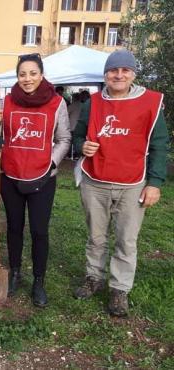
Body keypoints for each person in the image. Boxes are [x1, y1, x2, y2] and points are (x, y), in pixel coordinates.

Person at [72, 49, 169, 317]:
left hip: (132, 183)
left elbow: (160, 145)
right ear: (106, 74)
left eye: (125, 70)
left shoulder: (150, 103)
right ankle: (94, 276)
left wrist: (155, 182)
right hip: (96, 180)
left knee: (126, 239)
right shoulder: (92, 103)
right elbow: (77, 136)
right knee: (96, 236)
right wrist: (84, 146)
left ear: (133, 74)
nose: (119, 75)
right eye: (113, 70)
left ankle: (119, 288)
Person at [0, 53, 71, 307]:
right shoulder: (7, 102)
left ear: (41, 74)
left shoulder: (57, 103)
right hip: (11, 175)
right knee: (14, 227)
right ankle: (14, 272)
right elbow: (0, 137)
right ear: (17, 76)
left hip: (42, 178)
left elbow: (64, 139)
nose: (27, 79)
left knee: (39, 231)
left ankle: (38, 281)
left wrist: (51, 165)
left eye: (32, 73)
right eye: (22, 74)